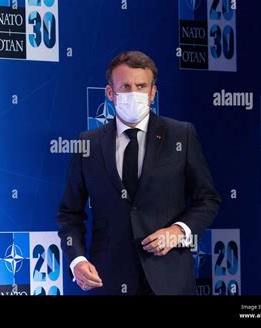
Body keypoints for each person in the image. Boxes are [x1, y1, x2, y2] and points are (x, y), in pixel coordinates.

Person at [57, 51, 221, 295]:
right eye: (125, 86)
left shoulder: (181, 135)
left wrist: (179, 231)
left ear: (153, 92)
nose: (134, 93)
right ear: (110, 93)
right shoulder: (87, 144)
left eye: (141, 86)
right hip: (109, 279)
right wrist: (76, 260)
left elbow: (208, 199)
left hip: (170, 281)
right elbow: (69, 214)